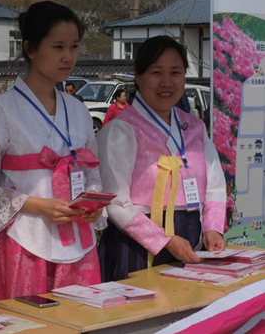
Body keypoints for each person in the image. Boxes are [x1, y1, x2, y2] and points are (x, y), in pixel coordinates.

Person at [0, 1, 105, 308]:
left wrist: (93, 203)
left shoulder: (79, 110)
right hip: (22, 243)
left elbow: (91, 173)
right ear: (30, 48)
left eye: (74, 46)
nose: (68, 56)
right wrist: (38, 205)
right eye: (57, 46)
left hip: (77, 242)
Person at [96, 35, 226, 282]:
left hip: (191, 244)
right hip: (136, 247)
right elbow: (115, 202)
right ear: (137, 75)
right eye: (156, 72)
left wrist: (212, 229)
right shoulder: (121, 130)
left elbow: (215, 187)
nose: (167, 82)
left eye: (175, 72)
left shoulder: (195, 127)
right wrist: (163, 239)